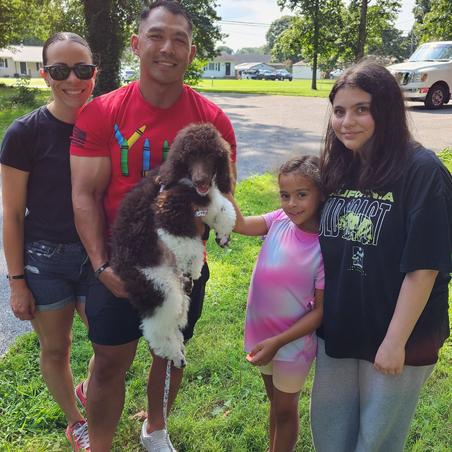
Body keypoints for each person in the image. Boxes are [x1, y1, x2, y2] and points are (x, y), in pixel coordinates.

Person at [69, 2, 237, 451]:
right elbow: (85, 195)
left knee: (170, 353)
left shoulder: (212, 121)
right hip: (118, 260)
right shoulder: (102, 112)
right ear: (136, 43)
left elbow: (223, 195)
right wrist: (102, 266)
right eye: (157, 36)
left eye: (179, 39)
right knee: (109, 361)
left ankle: (155, 430)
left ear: (191, 52)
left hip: (181, 267)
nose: (167, 48)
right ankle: (99, 443)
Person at [311, 60, 451, 452]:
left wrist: (394, 341)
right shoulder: (340, 165)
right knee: (330, 434)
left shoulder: (423, 171)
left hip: (400, 337)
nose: (346, 122)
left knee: (376, 442)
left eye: (362, 109)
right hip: (341, 327)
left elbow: (424, 268)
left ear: (386, 109)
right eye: (339, 111)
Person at [0, 32, 97, 451]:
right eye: (60, 70)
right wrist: (17, 282)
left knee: (111, 342)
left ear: (95, 74)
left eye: (82, 69)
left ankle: (88, 387)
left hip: (98, 255)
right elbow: (10, 214)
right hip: (45, 261)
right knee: (56, 348)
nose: (72, 79)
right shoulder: (24, 133)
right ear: (45, 75)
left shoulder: (107, 125)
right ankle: (77, 422)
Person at [231, 156, 324, 452]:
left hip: (292, 342)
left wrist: (278, 342)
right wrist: (224, 189)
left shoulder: (324, 246)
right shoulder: (279, 220)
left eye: (302, 195)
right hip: (263, 334)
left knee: (285, 409)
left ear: (321, 193)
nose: (291, 204)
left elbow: (320, 312)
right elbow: (240, 224)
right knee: (275, 402)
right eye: (285, 195)